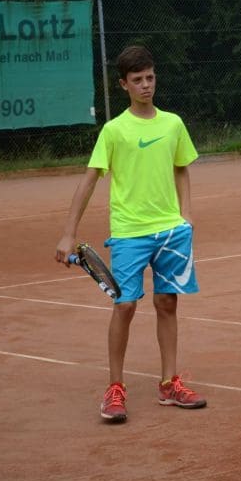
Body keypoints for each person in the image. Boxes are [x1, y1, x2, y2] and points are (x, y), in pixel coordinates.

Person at [55, 45, 205, 423]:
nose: (145, 85)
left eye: (150, 78)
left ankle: (169, 384)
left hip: (171, 232)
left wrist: (185, 216)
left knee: (168, 304)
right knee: (124, 306)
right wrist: (68, 233)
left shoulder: (172, 123)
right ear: (123, 84)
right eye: (137, 80)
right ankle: (115, 388)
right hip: (129, 234)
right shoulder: (114, 130)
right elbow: (89, 181)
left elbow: (182, 168)